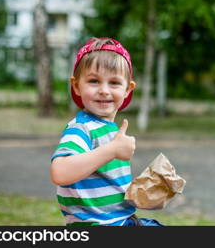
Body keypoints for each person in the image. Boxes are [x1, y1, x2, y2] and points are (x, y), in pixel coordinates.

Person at [50, 37, 162, 226]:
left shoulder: (110, 129)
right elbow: (60, 172)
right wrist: (112, 150)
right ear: (76, 86)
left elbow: (106, 186)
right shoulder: (81, 128)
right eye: (94, 81)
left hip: (121, 220)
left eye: (114, 83)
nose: (104, 90)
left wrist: (141, 194)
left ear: (128, 89)